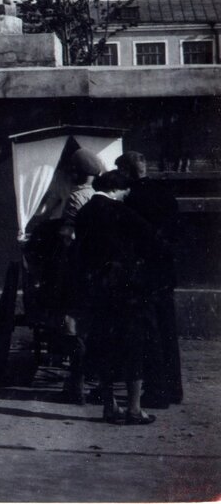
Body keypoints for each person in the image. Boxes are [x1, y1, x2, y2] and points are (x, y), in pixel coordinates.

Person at [75, 170, 161, 425]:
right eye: (125, 191)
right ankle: (134, 408)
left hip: (97, 290)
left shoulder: (84, 213)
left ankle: (109, 406)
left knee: (102, 345)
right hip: (126, 289)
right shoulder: (121, 212)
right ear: (117, 188)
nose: (127, 196)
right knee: (134, 344)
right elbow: (152, 241)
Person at [116, 151, 182, 408]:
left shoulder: (131, 199)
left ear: (126, 171)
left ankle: (157, 392)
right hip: (165, 270)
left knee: (149, 333)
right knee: (167, 331)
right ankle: (174, 389)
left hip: (144, 273)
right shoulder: (164, 193)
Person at [55, 148, 106, 404]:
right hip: (101, 268)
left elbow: (67, 235)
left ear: (75, 174)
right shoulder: (103, 196)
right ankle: (99, 382)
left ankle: (75, 385)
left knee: (73, 323)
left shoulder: (75, 198)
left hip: (78, 267)